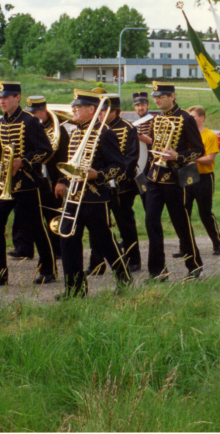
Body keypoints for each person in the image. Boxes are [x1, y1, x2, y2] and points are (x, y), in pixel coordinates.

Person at [54, 89, 131, 298]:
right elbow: (70, 163)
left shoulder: (105, 133)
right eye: (74, 106)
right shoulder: (75, 132)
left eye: (79, 106)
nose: (74, 109)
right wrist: (63, 180)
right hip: (74, 195)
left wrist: (98, 174)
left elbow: (119, 166)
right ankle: (75, 290)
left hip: (96, 197)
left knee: (105, 241)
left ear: (92, 109)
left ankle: (124, 279)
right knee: (68, 241)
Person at [0, 81, 55, 288]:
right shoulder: (1, 122)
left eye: (7, 97)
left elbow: (46, 150)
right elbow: (1, 153)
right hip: (6, 184)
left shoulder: (30, 121)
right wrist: (0, 179)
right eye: (0, 98)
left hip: (28, 184)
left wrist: (24, 161)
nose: (2, 101)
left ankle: (48, 270)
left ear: (18, 97)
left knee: (36, 227)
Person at [145, 82, 205, 281]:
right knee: (151, 222)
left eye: (161, 96)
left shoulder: (186, 118)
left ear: (172, 96)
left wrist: (177, 156)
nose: (157, 99)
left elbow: (198, 150)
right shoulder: (155, 120)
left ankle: (194, 265)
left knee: (181, 223)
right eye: (155, 96)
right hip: (154, 178)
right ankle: (158, 272)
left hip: (174, 180)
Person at [86, 92, 143, 272]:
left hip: (122, 185)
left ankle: (133, 259)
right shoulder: (95, 129)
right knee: (97, 225)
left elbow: (131, 158)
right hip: (99, 184)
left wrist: (114, 179)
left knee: (125, 223)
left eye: (104, 110)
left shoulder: (128, 128)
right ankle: (97, 264)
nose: (100, 114)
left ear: (114, 110)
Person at [24, 96, 67, 275]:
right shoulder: (32, 127)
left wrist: (62, 181)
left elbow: (65, 157)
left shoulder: (59, 130)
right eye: (30, 112)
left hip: (53, 179)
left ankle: (58, 249)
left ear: (43, 110)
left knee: (54, 215)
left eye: (35, 112)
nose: (33, 116)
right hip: (36, 179)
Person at [181, 106, 220, 257]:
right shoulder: (185, 135)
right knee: (184, 211)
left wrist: (189, 157)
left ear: (201, 118)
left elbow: (209, 158)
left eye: (193, 117)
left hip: (204, 177)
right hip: (187, 175)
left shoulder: (209, 135)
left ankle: (216, 242)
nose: (190, 120)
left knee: (205, 212)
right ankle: (185, 246)